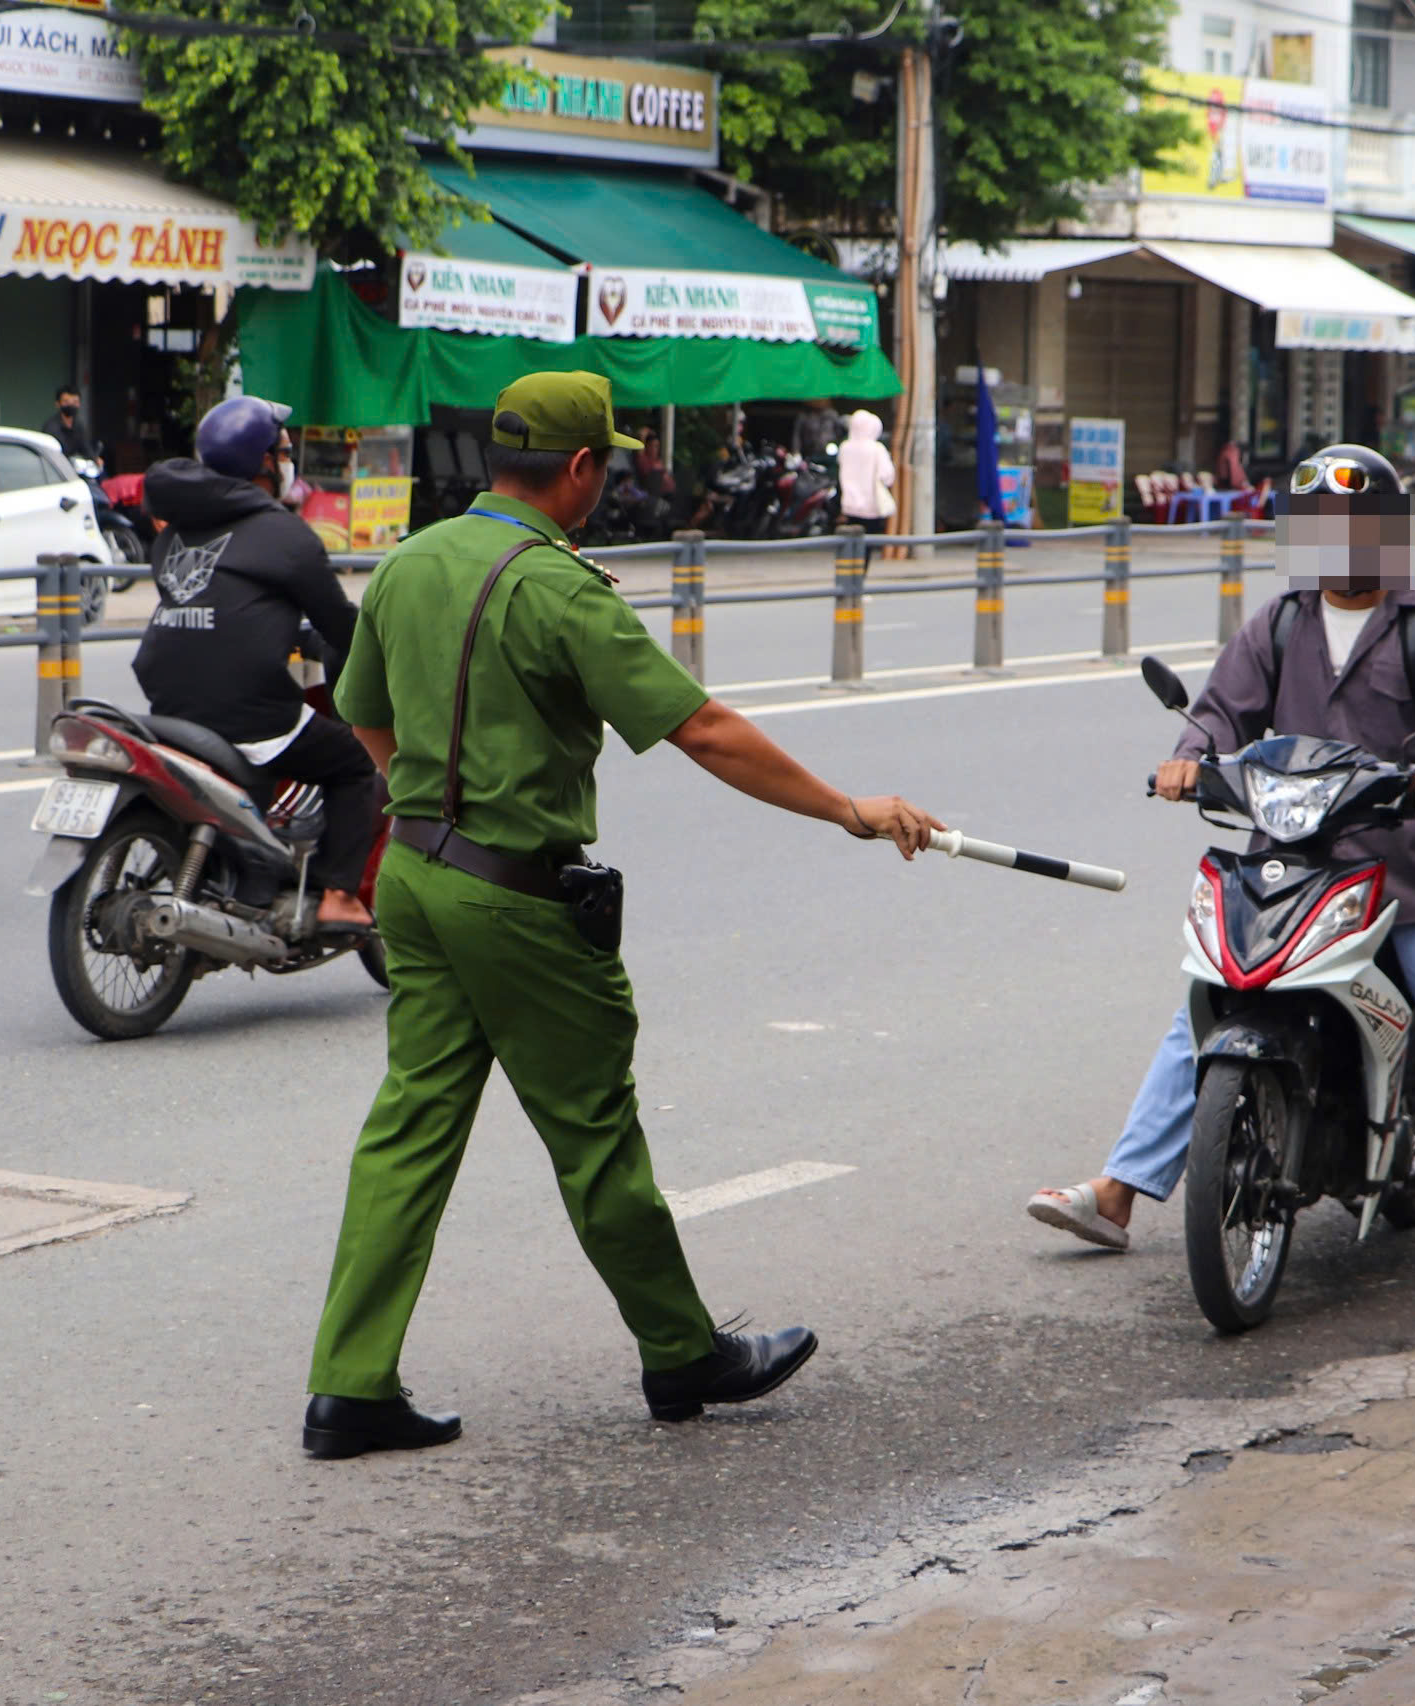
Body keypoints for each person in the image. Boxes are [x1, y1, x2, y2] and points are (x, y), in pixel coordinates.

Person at [303, 371, 944, 1458]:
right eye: (614, 460)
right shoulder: (561, 589)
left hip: (412, 872)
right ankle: (682, 1349)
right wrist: (846, 807)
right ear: (583, 468)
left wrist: (435, 801)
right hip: (514, 896)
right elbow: (704, 731)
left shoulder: (408, 562)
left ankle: (349, 1384)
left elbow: (361, 721)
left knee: (410, 1126)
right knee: (595, 1131)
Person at [1027, 443, 1415, 1275]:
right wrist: (1191, 756)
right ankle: (1118, 1192)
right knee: (1204, 1014)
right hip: (1294, 861)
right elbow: (1221, 710)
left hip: (1412, 875)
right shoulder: (1281, 622)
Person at [132, 395, 378, 934]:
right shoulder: (286, 536)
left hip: (170, 708)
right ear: (263, 462)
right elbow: (341, 627)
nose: (289, 459)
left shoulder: (173, 531)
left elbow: (221, 607)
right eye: (284, 450)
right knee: (359, 764)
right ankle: (338, 895)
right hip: (251, 715)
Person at [836, 409, 895, 529]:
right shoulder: (877, 449)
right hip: (872, 505)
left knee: (851, 541)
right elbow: (887, 476)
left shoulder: (844, 447)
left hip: (849, 505)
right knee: (870, 540)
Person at [43, 386, 99, 462]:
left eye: (75, 402)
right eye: (66, 402)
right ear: (58, 404)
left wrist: (95, 459)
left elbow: (85, 448)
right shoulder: (51, 427)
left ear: (79, 404)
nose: (71, 405)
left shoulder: (78, 426)